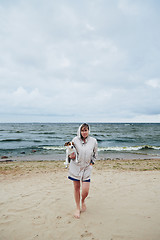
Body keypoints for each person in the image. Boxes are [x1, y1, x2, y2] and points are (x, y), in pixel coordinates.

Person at [68, 123, 98, 218]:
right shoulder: (75, 140)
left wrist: (92, 162)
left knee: (85, 190)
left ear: (88, 131)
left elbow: (95, 153)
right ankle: (77, 208)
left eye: (86, 130)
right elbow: (70, 152)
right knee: (76, 188)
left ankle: (83, 200)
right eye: (82, 130)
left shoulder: (93, 141)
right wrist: (70, 156)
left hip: (86, 167)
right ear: (79, 131)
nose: (84, 132)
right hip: (76, 167)